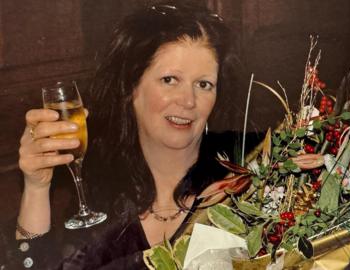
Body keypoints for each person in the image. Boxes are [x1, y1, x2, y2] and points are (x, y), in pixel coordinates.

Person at [1, 2, 241, 269]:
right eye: (170, 80)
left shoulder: (240, 190)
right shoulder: (97, 194)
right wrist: (36, 188)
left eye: (204, 84)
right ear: (131, 88)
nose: (188, 101)